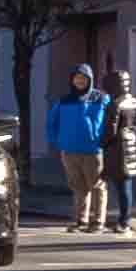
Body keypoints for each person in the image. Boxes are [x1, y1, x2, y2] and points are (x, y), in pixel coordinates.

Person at [46, 65, 108, 230]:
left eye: (83, 78)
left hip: (93, 150)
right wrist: (57, 142)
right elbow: (51, 122)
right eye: (77, 77)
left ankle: (98, 221)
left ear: (90, 80)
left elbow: (110, 121)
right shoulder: (63, 101)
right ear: (72, 80)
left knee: (96, 185)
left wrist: (102, 140)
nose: (80, 81)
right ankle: (82, 220)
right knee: (78, 186)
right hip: (69, 150)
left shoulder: (100, 98)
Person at [101, 75, 136, 235]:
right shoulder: (133, 102)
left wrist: (102, 143)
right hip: (130, 142)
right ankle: (125, 220)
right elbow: (135, 124)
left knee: (121, 186)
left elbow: (111, 129)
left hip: (118, 148)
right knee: (126, 184)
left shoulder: (115, 104)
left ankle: (124, 221)